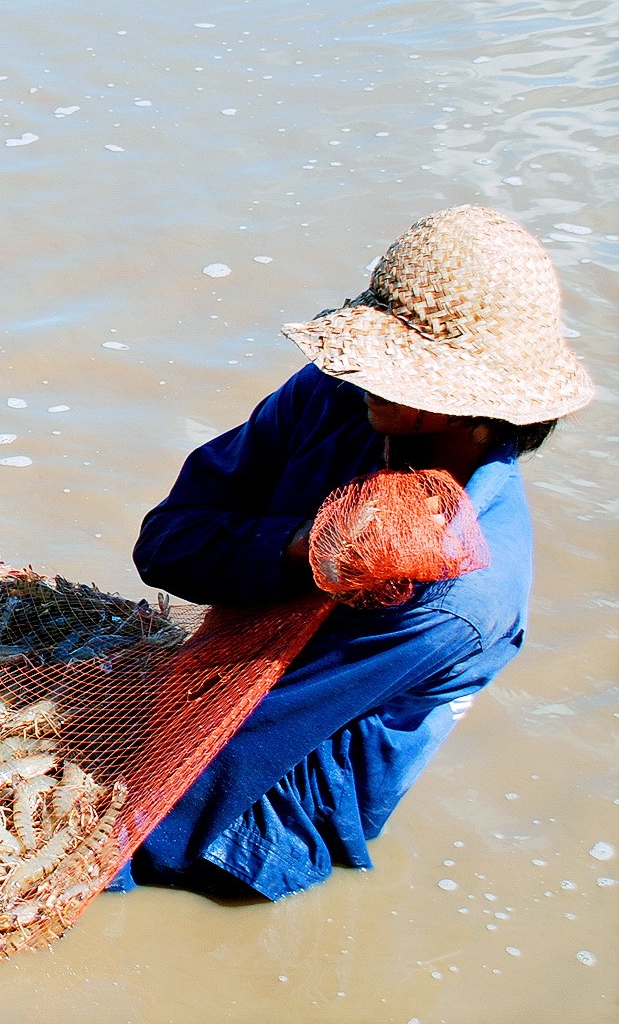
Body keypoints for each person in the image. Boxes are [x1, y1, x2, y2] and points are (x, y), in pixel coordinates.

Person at [119, 204, 593, 900]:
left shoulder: (464, 597)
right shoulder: (330, 397)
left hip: (275, 800)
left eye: (390, 373)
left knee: (132, 857)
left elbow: (249, 744)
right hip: (223, 670)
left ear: (465, 405)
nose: (360, 377)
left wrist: (99, 836)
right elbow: (164, 544)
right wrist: (296, 548)